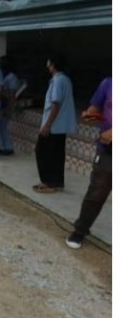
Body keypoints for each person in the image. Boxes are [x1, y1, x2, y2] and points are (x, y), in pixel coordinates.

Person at [66, 77, 112, 249]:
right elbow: (94, 109)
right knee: (96, 194)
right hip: (108, 152)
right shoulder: (108, 83)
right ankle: (80, 230)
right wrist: (90, 115)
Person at [34, 54, 77, 193]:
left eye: (48, 61)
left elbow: (55, 104)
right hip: (60, 126)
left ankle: (48, 182)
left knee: (42, 152)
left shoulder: (58, 81)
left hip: (54, 125)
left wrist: (47, 125)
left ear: (52, 64)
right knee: (57, 154)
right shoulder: (65, 80)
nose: (47, 64)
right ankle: (57, 182)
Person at [0, 56, 20, 156]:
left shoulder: (12, 77)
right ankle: (3, 147)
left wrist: (9, 109)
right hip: (3, 104)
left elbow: (12, 95)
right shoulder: (4, 75)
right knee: (1, 127)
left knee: (3, 127)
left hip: (7, 105)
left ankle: (7, 147)